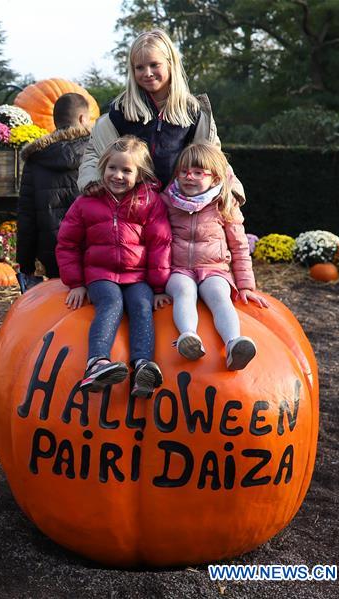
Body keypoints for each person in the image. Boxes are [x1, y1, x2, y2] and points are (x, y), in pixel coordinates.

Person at [56, 136, 171, 398]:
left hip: (137, 276)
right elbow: (67, 243)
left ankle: (143, 366)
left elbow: (160, 245)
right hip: (100, 274)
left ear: (140, 174)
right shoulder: (86, 202)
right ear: (103, 167)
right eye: (112, 168)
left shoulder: (149, 203)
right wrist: (76, 283)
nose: (118, 175)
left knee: (142, 306)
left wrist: (159, 287)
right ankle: (97, 362)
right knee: (111, 303)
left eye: (126, 170)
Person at [78, 29, 243, 200]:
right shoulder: (121, 111)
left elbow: (213, 156)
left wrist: (232, 189)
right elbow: (94, 152)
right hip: (131, 206)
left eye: (154, 65)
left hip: (178, 206)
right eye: (139, 67)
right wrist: (92, 179)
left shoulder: (193, 112)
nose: (147, 73)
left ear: (171, 64)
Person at [162, 143, 269, 370]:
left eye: (198, 172)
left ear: (215, 177)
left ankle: (233, 344)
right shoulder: (167, 202)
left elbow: (239, 247)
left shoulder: (223, 205)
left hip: (214, 269)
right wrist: (155, 286)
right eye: (183, 172)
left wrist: (246, 286)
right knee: (184, 291)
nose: (189, 177)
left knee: (219, 295)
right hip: (178, 269)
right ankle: (188, 337)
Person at [17, 93, 93, 288]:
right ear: (83, 118)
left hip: (53, 252)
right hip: (93, 249)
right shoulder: (99, 153)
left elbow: (27, 216)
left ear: (55, 121)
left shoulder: (36, 158)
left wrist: (26, 264)